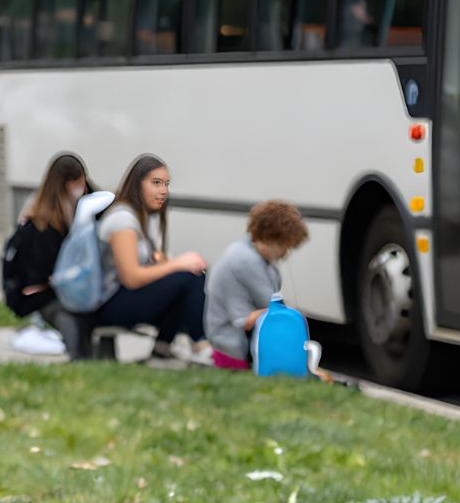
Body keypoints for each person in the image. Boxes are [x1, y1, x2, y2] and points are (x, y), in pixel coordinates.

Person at [95, 154, 213, 364]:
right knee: (188, 277)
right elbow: (131, 278)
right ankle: (199, 344)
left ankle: (163, 346)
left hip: (123, 298)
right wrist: (177, 265)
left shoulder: (140, 218)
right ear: (136, 183)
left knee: (190, 273)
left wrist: (167, 263)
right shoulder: (122, 219)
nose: (164, 191)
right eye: (156, 183)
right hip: (108, 305)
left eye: (166, 184)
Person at [2, 153, 92, 356]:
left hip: (40, 290)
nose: (84, 188)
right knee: (77, 315)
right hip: (41, 294)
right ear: (70, 183)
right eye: (81, 182)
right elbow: (45, 271)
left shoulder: (45, 211)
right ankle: (82, 355)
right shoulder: (46, 225)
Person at [204, 200, 310, 371]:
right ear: (271, 238)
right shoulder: (247, 260)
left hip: (226, 338)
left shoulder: (246, 251)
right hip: (232, 345)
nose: (286, 253)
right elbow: (270, 304)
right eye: (285, 246)